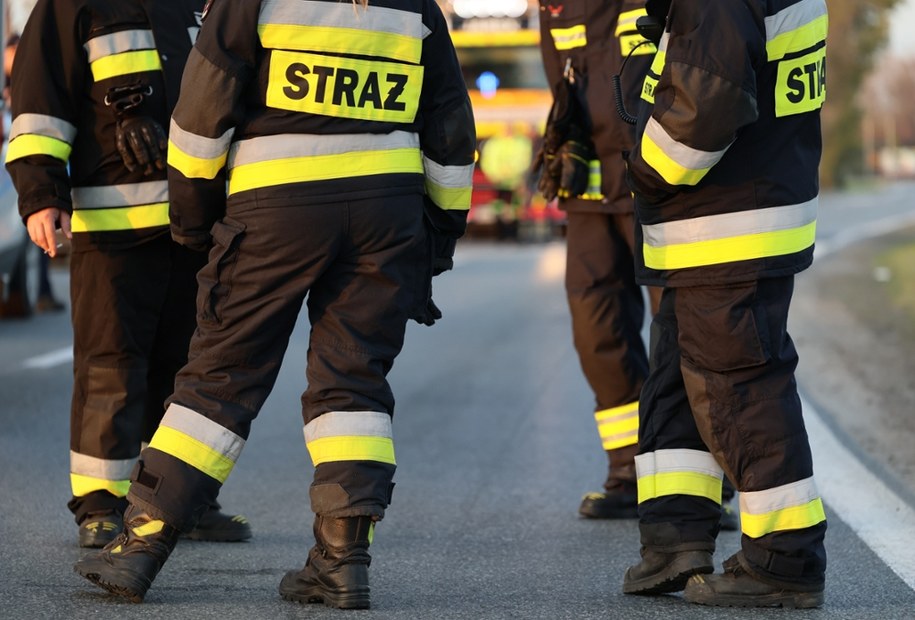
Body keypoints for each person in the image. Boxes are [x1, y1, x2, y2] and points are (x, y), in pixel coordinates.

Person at [73, 0, 475, 607]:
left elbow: (203, 108)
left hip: (276, 204)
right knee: (354, 384)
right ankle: (343, 560)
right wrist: (440, 230)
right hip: (385, 213)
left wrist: (191, 218)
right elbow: (448, 123)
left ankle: (143, 544)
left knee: (220, 378)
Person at [5, 0, 251, 547]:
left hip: (198, 226)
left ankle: (179, 500)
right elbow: (39, 102)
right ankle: (101, 506)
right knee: (111, 369)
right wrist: (42, 193)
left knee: (192, 373)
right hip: (115, 229)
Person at [620, 0, 828, 608]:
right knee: (680, 382)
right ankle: (676, 537)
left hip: (726, 219)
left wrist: (646, 171)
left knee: (738, 386)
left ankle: (784, 560)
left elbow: (704, 105)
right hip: (730, 217)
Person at [534, 0, 738, 527]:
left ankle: (699, 485)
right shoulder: (553, 5)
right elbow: (566, 82)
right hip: (591, 197)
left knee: (680, 335)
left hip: (659, 184)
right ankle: (629, 472)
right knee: (596, 332)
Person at [4, 33, 65, 315]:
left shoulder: (29, 78)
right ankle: (41, 291)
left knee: (37, 232)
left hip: (26, 174)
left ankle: (42, 291)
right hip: (24, 171)